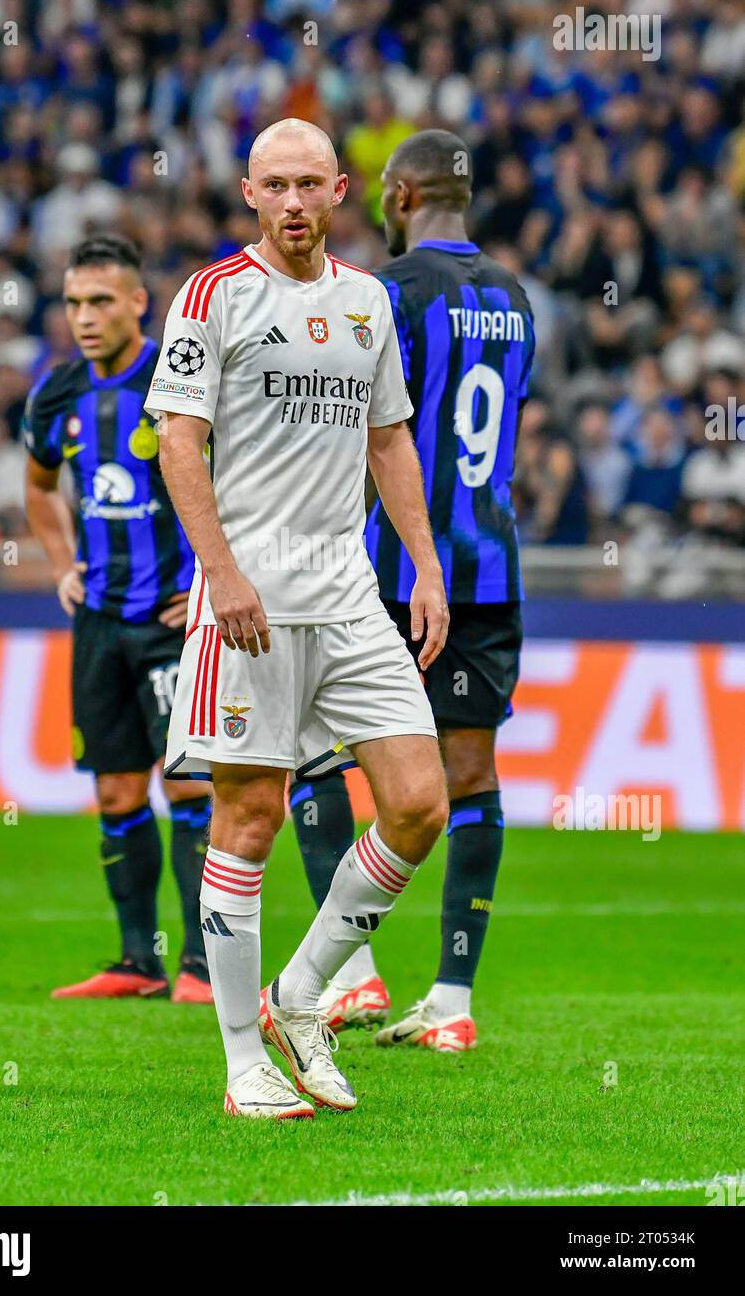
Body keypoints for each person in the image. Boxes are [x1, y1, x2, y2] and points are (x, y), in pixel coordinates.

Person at [145, 118, 450, 1120]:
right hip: (252, 602)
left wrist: (423, 564)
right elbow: (177, 443)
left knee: (416, 802)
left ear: (335, 193)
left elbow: (390, 438)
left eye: (306, 184)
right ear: (247, 193)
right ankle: (242, 1063)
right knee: (250, 816)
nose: (288, 201)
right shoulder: (214, 295)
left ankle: (299, 991)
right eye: (271, 184)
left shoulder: (366, 302)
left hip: (349, 596)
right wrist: (219, 570)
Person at [294, 129, 536, 1053]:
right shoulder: (516, 298)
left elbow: (355, 429)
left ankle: (351, 974)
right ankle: (453, 998)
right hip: (488, 571)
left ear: (397, 196)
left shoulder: (387, 294)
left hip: (384, 572)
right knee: (470, 779)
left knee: (315, 753)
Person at [22, 234, 213, 1003]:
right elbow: (38, 487)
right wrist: (63, 563)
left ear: (139, 301)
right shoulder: (58, 393)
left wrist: (208, 576)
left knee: (193, 790)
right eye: (72, 303)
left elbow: (238, 478)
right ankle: (139, 962)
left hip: (173, 619)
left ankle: (201, 967)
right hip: (99, 622)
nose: (84, 317)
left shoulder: (183, 379)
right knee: (116, 794)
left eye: (100, 301)